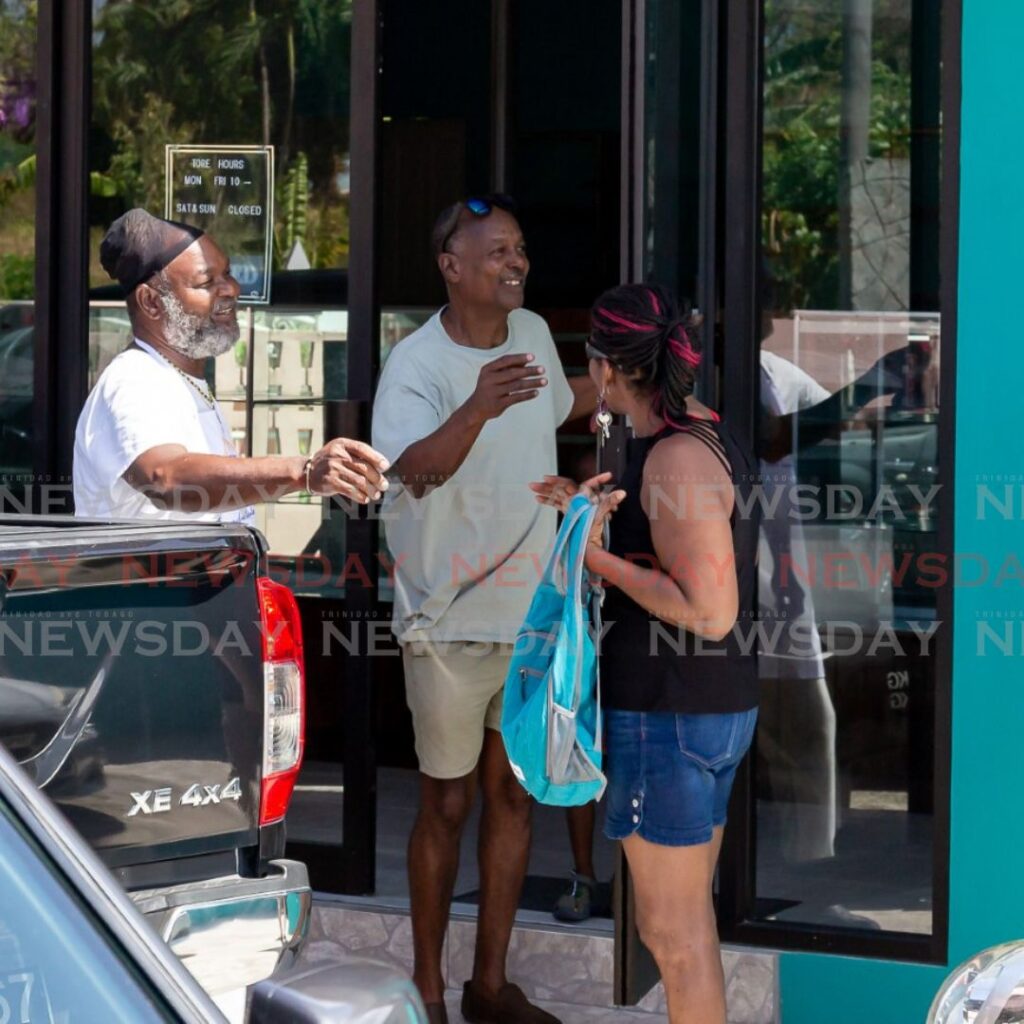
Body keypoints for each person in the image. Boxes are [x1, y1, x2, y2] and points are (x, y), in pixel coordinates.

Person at [371, 194, 595, 1024]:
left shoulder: (532, 333)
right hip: (447, 620)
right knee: (448, 803)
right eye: (497, 250)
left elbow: (558, 406)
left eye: (521, 247)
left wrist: (624, 382)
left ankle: (489, 987)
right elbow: (411, 471)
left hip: (531, 614)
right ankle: (427, 990)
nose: (516, 262)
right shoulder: (418, 364)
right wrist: (478, 405)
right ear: (451, 266)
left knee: (513, 796)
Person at [532, 283, 759, 1024]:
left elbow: (710, 610)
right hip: (697, 711)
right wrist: (587, 513)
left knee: (674, 934)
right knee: (688, 926)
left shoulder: (675, 459)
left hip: (669, 715)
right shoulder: (695, 436)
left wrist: (592, 558)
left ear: (604, 369)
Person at [74, 208, 387, 522]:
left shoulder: (180, 378)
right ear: (151, 302)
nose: (231, 289)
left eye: (227, 273)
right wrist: (301, 471)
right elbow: (166, 478)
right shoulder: (136, 380)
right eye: (207, 282)